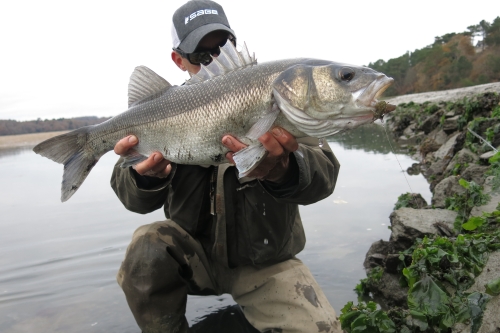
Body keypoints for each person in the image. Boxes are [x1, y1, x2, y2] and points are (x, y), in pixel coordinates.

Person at [111, 1, 342, 332]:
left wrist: (285, 170)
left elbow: (325, 173)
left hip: (267, 264)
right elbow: (130, 197)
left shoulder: (278, 92)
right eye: (201, 55)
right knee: (147, 244)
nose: (215, 59)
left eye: (223, 47)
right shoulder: (162, 112)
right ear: (178, 60)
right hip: (194, 262)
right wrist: (144, 178)